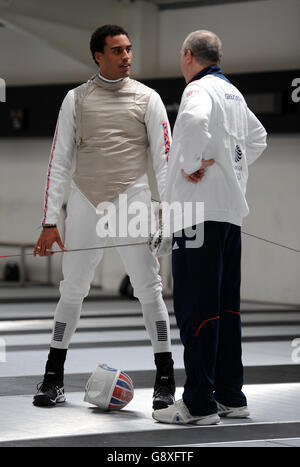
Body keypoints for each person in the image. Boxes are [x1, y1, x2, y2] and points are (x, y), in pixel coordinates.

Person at [33, 24, 175, 410]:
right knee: (72, 289)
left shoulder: (149, 98)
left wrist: (169, 215)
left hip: (132, 202)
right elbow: (59, 161)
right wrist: (50, 221)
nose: (126, 56)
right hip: (84, 202)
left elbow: (166, 163)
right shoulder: (75, 99)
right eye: (117, 51)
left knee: (148, 288)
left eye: (128, 49)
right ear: (98, 55)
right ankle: (53, 378)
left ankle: (165, 380)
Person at [152, 30, 267, 425]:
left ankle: (199, 404)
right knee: (226, 309)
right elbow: (258, 138)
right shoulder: (233, 94)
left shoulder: (198, 90)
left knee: (196, 309)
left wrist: (191, 165)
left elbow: (195, 124)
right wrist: (227, 169)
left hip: (197, 217)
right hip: (229, 215)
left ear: (188, 56)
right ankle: (231, 397)